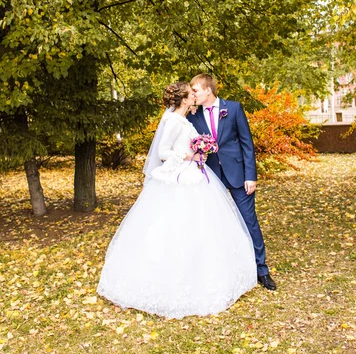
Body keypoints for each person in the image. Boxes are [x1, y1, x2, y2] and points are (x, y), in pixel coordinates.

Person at [97, 82, 257, 319]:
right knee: (175, 228)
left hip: (196, 174)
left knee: (202, 228)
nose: (195, 97)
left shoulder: (185, 120)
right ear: (183, 99)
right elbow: (162, 152)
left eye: (196, 93)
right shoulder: (172, 121)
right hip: (180, 177)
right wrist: (189, 155)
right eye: (191, 95)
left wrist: (202, 151)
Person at [187, 74, 276, 291]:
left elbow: (247, 143)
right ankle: (225, 270)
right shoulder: (193, 114)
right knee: (213, 224)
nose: (193, 94)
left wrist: (250, 175)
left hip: (238, 174)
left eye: (196, 90)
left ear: (208, 90)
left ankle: (261, 270)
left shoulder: (234, 108)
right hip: (209, 176)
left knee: (249, 221)